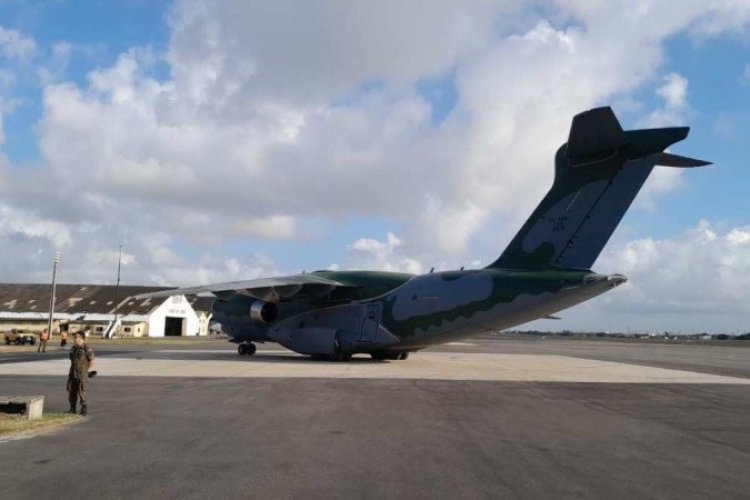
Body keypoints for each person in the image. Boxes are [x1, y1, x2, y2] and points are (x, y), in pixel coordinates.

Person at [67, 331, 94, 415]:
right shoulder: (73, 348)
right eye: (74, 337)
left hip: (82, 374)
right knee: (72, 391)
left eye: (76, 337)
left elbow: (91, 361)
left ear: (81, 338)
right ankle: (72, 408)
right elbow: (72, 361)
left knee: (82, 391)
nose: (74, 339)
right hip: (73, 373)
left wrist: (86, 371)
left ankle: (84, 409)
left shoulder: (87, 348)